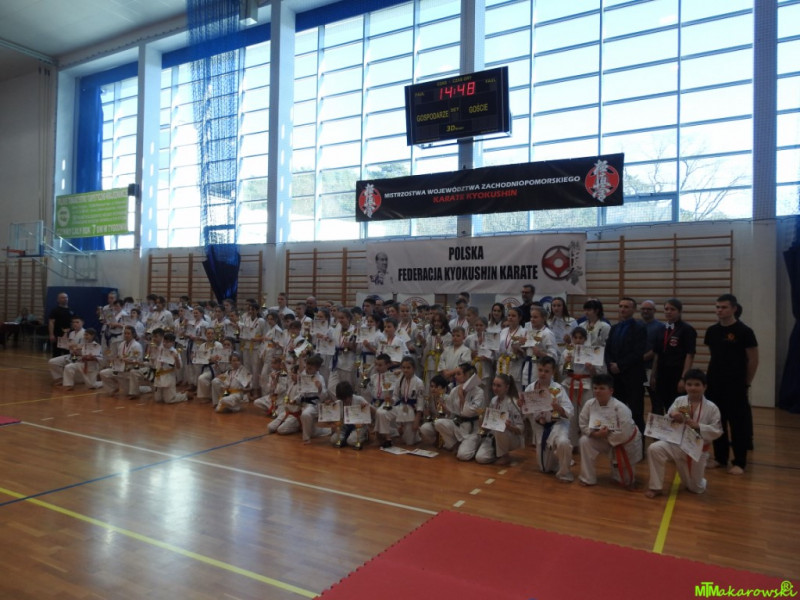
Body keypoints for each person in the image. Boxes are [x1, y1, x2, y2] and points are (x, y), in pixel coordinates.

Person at [645, 369, 723, 498]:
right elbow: (666, 422)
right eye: (689, 384)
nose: (693, 388)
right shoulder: (679, 401)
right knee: (654, 448)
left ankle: (699, 481)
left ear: (705, 387)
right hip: (678, 445)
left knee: (695, 488)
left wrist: (699, 426)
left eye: (697, 384)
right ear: (685, 386)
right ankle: (655, 487)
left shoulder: (712, 407)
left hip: (698, 450)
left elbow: (717, 431)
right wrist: (672, 416)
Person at [704, 293, 758, 475]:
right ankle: (720, 458)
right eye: (717, 307)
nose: (720, 310)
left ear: (734, 309)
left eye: (724, 307)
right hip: (714, 384)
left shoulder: (745, 331)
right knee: (717, 422)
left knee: (738, 425)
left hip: (736, 385)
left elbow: (753, 360)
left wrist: (746, 383)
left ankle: (740, 462)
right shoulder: (712, 331)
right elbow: (715, 356)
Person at [578, 373, 642, 488]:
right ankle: (588, 478)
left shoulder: (621, 408)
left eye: (602, 388)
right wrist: (596, 434)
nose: (597, 391)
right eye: (595, 388)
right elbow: (583, 424)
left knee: (625, 481)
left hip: (626, 443)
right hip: (604, 438)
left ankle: (620, 474)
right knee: (584, 441)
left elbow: (625, 433)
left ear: (611, 390)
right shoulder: (589, 404)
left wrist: (605, 435)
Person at [521, 356, 574, 482]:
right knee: (545, 468)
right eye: (540, 370)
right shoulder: (530, 388)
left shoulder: (558, 389)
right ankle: (560, 457)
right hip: (540, 427)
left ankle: (565, 472)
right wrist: (521, 405)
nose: (543, 374)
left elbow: (570, 412)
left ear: (553, 372)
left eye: (546, 371)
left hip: (558, 424)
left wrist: (558, 408)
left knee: (563, 442)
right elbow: (526, 413)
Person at [461, 374, 524, 465]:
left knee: (501, 428)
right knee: (480, 458)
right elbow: (490, 425)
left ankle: (505, 455)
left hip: (511, 437)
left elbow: (521, 429)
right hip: (494, 437)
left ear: (507, 387)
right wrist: (483, 423)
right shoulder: (493, 400)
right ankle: (495, 452)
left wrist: (510, 427)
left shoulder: (513, 402)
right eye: (493, 385)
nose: (495, 388)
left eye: (498, 386)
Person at [604, 297, 647, 432]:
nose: (622, 309)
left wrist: (620, 365)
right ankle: (620, 439)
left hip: (632, 376)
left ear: (634, 310)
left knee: (636, 412)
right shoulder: (614, 328)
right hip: (615, 377)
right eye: (621, 306)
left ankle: (639, 442)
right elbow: (607, 349)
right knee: (617, 410)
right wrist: (610, 364)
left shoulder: (640, 328)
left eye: (626, 307)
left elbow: (638, 352)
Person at [650, 298, 696, 416]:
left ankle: (683, 427)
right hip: (662, 374)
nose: (669, 311)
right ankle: (665, 428)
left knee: (680, 408)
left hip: (677, 373)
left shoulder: (687, 329)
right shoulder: (661, 329)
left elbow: (690, 355)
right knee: (664, 406)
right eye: (666, 309)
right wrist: (653, 375)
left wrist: (683, 378)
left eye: (672, 309)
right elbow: (657, 354)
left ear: (679, 311)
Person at [374, 356, 425, 448]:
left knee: (409, 442)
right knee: (381, 412)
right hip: (401, 406)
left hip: (411, 409)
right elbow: (396, 396)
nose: (405, 370)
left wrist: (417, 420)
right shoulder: (400, 379)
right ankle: (388, 439)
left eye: (408, 368)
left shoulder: (419, 382)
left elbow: (420, 403)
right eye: (403, 367)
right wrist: (391, 400)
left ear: (414, 368)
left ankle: (415, 434)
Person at [99, 325, 144, 398]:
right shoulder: (122, 344)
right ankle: (113, 388)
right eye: (125, 333)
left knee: (128, 392)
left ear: (133, 334)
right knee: (103, 373)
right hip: (119, 369)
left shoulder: (136, 345)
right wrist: (116, 359)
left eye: (128, 333)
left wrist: (128, 361)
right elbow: (119, 356)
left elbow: (138, 361)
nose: (126, 335)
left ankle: (145, 389)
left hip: (129, 370)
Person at [297, 353, 331, 443]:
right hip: (302, 402)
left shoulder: (320, 378)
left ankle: (306, 438)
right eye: (308, 364)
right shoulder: (303, 374)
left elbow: (324, 397)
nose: (309, 367)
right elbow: (299, 391)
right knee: (312, 431)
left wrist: (320, 389)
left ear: (317, 368)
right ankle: (322, 431)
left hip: (313, 405)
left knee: (305, 414)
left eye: (312, 366)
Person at [328, 381, 372, 449]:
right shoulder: (338, 403)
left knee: (351, 441)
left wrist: (368, 407)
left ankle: (364, 435)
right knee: (333, 440)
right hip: (344, 426)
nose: (344, 401)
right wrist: (328, 407)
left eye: (346, 399)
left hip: (359, 426)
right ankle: (346, 438)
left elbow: (373, 413)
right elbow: (331, 420)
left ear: (350, 395)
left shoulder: (359, 399)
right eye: (342, 399)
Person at [152, 332, 188, 404]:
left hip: (168, 375)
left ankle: (184, 396)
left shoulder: (175, 352)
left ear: (172, 343)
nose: (165, 343)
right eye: (164, 341)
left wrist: (176, 358)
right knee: (158, 399)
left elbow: (179, 367)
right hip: (159, 374)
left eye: (168, 342)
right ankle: (174, 393)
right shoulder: (160, 349)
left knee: (168, 400)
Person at [48, 316, 85, 384]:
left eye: (77, 322)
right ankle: (60, 378)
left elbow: (86, 347)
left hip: (81, 357)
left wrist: (75, 347)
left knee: (70, 367)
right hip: (71, 355)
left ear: (82, 323)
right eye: (73, 322)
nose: (75, 324)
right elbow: (66, 345)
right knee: (52, 362)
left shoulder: (85, 333)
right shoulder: (71, 333)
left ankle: (73, 380)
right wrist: (65, 333)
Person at [48, 292, 74, 357]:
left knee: (68, 353)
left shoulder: (71, 310)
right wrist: (51, 335)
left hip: (69, 336)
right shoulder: (55, 310)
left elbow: (73, 323)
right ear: (58, 299)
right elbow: (51, 322)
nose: (65, 299)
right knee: (56, 353)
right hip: (58, 335)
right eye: (62, 298)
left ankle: (68, 364)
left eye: (66, 297)